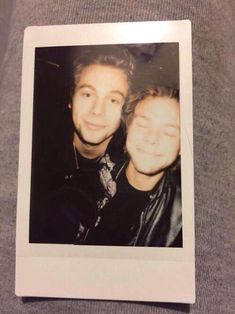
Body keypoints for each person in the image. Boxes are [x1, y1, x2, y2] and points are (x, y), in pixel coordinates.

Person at [30, 46, 135, 243]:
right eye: (88, 94)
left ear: (124, 111)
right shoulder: (33, 153)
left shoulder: (131, 173)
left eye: (112, 100)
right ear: (71, 99)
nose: (97, 110)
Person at [84, 86, 182, 247]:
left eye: (169, 132)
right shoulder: (89, 180)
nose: (151, 139)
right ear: (128, 127)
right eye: (143, 125)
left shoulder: (184, 222)